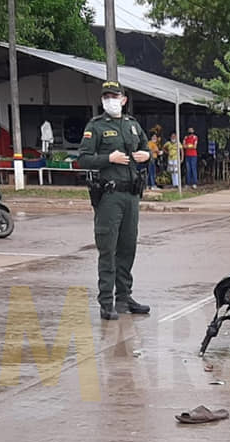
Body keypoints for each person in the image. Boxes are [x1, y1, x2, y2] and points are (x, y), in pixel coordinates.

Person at [77, 80, 152, 318]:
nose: (110, 100)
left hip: (131, 195)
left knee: (127, 248)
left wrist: (146, 155)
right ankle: (106, 303)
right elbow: (84, 158)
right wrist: (108, 158)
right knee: (108, 250)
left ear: (123, 100)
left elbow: (145, 147)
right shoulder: (96, 126)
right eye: (106, 96)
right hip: (109, 196)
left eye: (114, 96)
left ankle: (124, 297)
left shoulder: (132, 124)